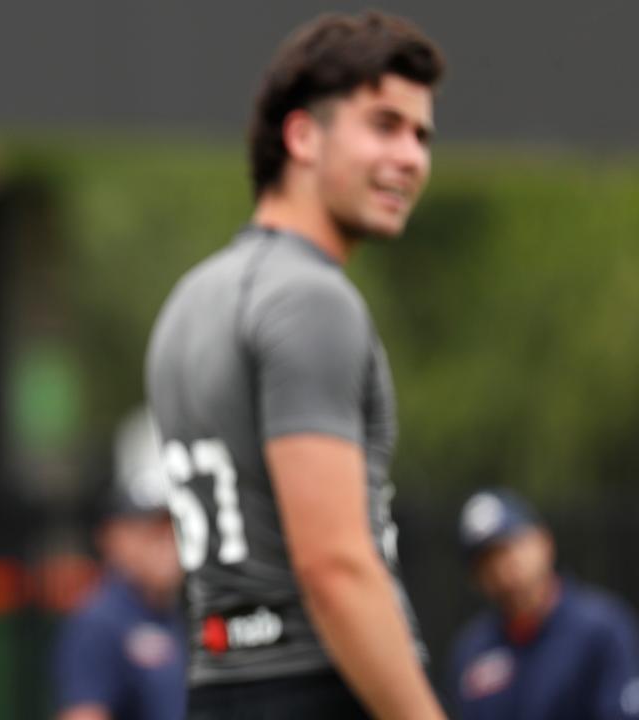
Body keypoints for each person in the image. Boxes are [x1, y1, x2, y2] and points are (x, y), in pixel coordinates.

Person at [144, 11, 446, 719]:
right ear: (303, 134)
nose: (412, 157)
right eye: (385, 125)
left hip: (217, 683)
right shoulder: (310, 297)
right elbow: (335, 568)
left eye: (422, 134)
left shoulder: (192, 297)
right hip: (318, 682)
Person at [450, 489, 639, 719]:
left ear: (544, 542)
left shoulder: (602, 629)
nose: (501, 566)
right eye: (486, 559)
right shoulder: (472, 649)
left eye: (510, 546)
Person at [53, 410, 185, 720]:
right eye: (149, 528)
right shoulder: (100, 622)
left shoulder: (182, 612)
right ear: (113, 537)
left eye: (171, 525)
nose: (165, 542)